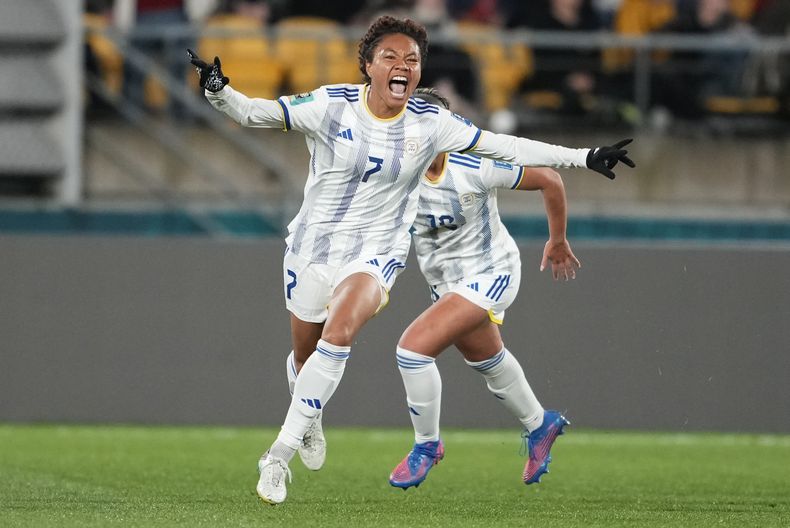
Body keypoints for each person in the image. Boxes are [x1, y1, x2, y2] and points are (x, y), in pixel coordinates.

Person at [188, 14, 634, 505]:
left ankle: (282, 457)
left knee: (370, 342)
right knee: (313, 355)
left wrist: (585, 155)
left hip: (403, 257)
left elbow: (509, 148)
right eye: (391, 57)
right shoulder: (332, 106)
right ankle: (532, 421)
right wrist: (218, 92)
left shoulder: (440, 133)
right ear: (368, 65)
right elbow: (256, 113)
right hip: (315, 248)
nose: (403, 66)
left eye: (413, 59)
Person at [388, 88, 592, 489]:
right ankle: (540, 424)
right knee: (488, 360)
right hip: (446, 284)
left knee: (411, 351)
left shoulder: (475, 164)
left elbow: (550, 180)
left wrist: (557, 240)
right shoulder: (395, 175)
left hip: (491, 272)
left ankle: (427, 446)